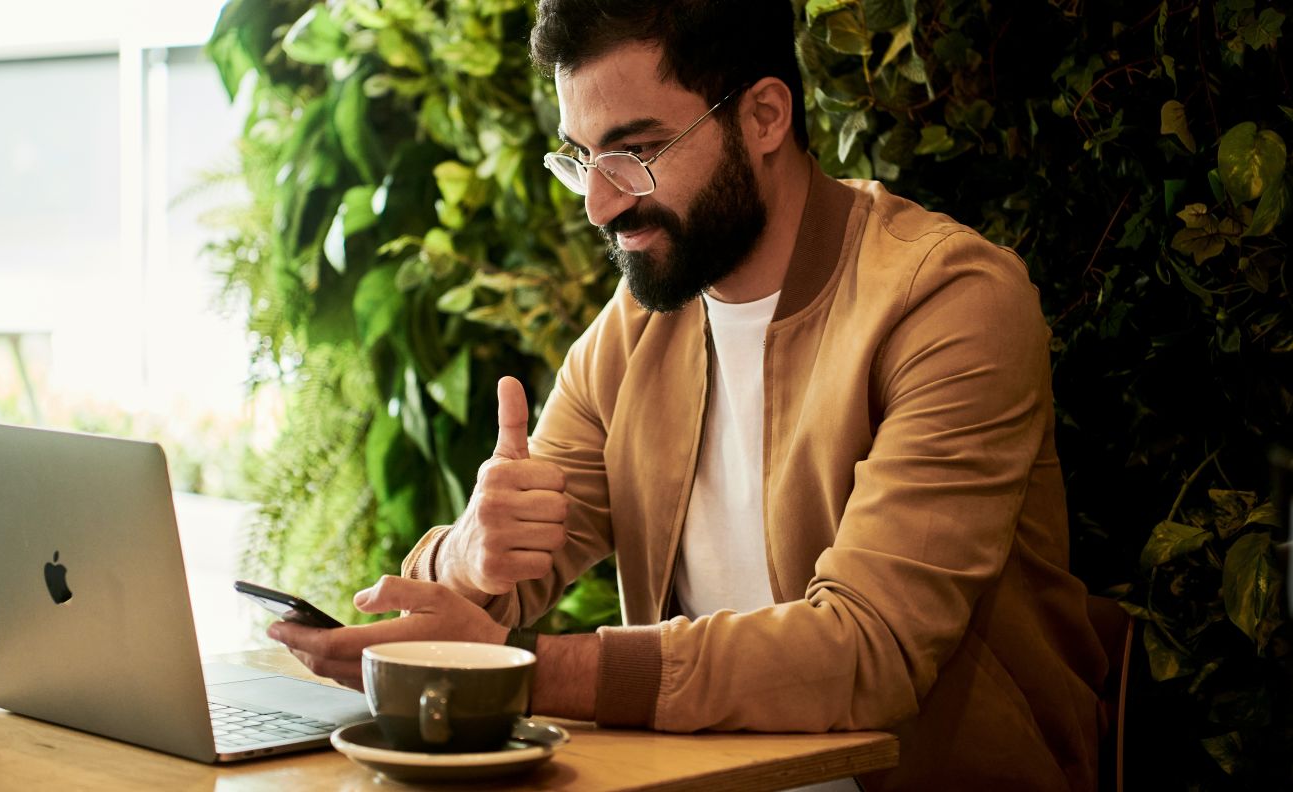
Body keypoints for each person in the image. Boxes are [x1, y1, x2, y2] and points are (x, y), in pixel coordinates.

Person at [267, 1, 1109, 789]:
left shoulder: (948, 301)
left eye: (636, 153)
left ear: (765, 116)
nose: (601, 203)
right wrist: (471, 555)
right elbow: (484, 595)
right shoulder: (639, 326)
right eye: (582, 157)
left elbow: (868, 650)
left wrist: (525, 674)